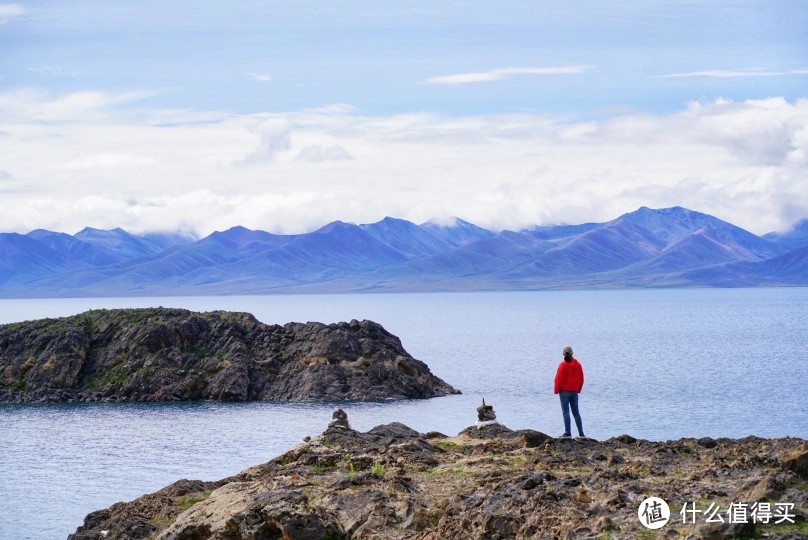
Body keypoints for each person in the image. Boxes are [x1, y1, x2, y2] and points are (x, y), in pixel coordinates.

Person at [553, 345, 585, 438]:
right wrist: (578, 389)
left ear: (563, 354)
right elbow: (581, 378)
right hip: (574, 391)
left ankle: (568, 433)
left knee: (565, 412)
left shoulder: (562, 365)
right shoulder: (578, 365)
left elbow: (558, 379)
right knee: (576, 413)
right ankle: (581, 433)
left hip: (564, 392)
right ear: (572, 353)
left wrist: (556, 390)